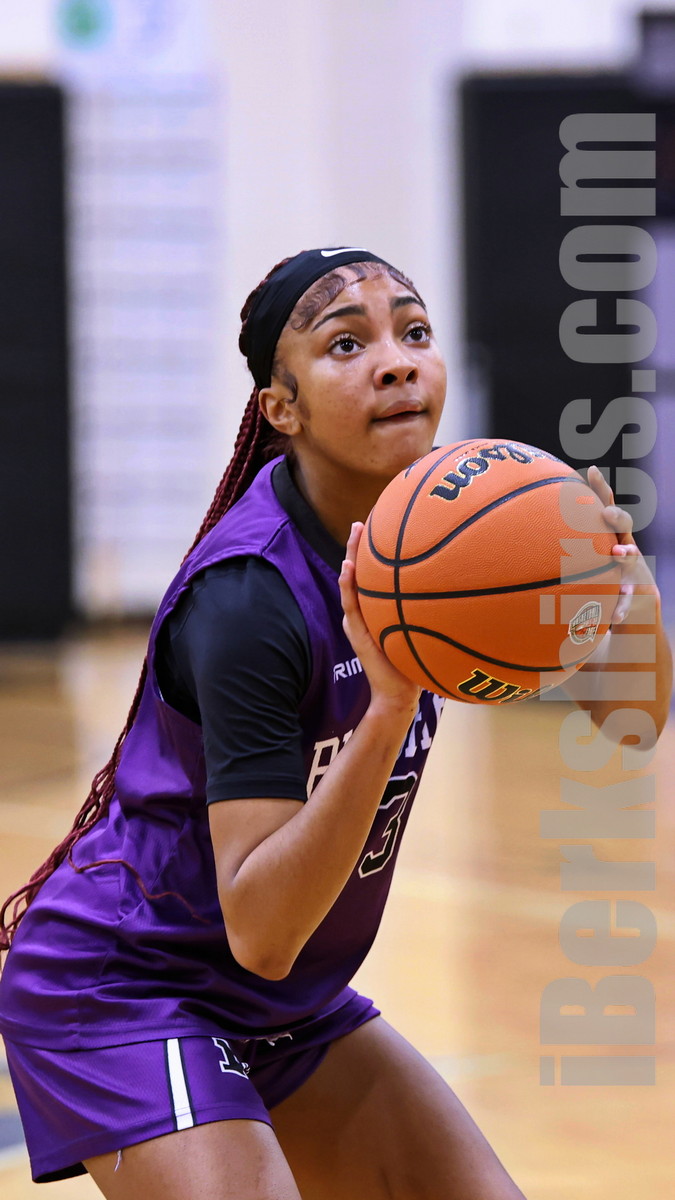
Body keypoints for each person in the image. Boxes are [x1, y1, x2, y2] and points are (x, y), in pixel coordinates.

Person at [0, 247, 671, 1200]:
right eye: (346, 344)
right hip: (130, 983)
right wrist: (388, 709)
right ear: (282, 408)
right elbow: (263, 932)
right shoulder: (249, 600)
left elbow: (632, 718)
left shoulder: (459, 531)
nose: (395, 362)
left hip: (282, 998)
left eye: (414, 332)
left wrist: (624, 580)